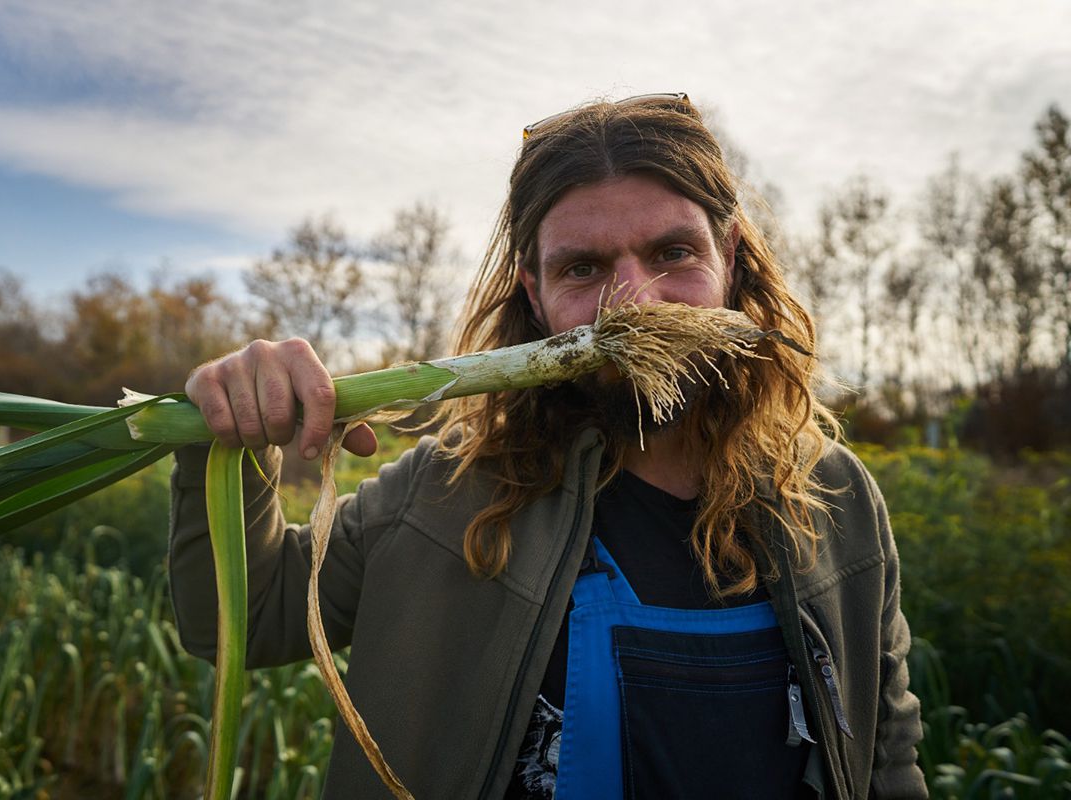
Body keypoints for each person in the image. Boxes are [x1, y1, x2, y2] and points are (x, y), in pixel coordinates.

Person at [167, 94, 926, 799]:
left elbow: (885, 751)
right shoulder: (445, 495)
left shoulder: (837, 499)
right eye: (583, 268)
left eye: (672, 253)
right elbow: (242, 617)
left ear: (729, 257)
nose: (634, 301)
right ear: (534, 292)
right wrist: (225, 441)